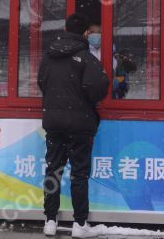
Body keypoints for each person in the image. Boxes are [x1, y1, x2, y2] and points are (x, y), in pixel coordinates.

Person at [37, 13, 109, 238]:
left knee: (54, 169)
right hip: (80, 124)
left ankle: (50, 221)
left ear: (65, 29)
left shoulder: (48, 56)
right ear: (85, 33)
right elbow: (97, 87)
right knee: (79, 173)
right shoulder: (86, 57)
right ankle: (79, 224)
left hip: (54, 122)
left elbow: (42, 82)